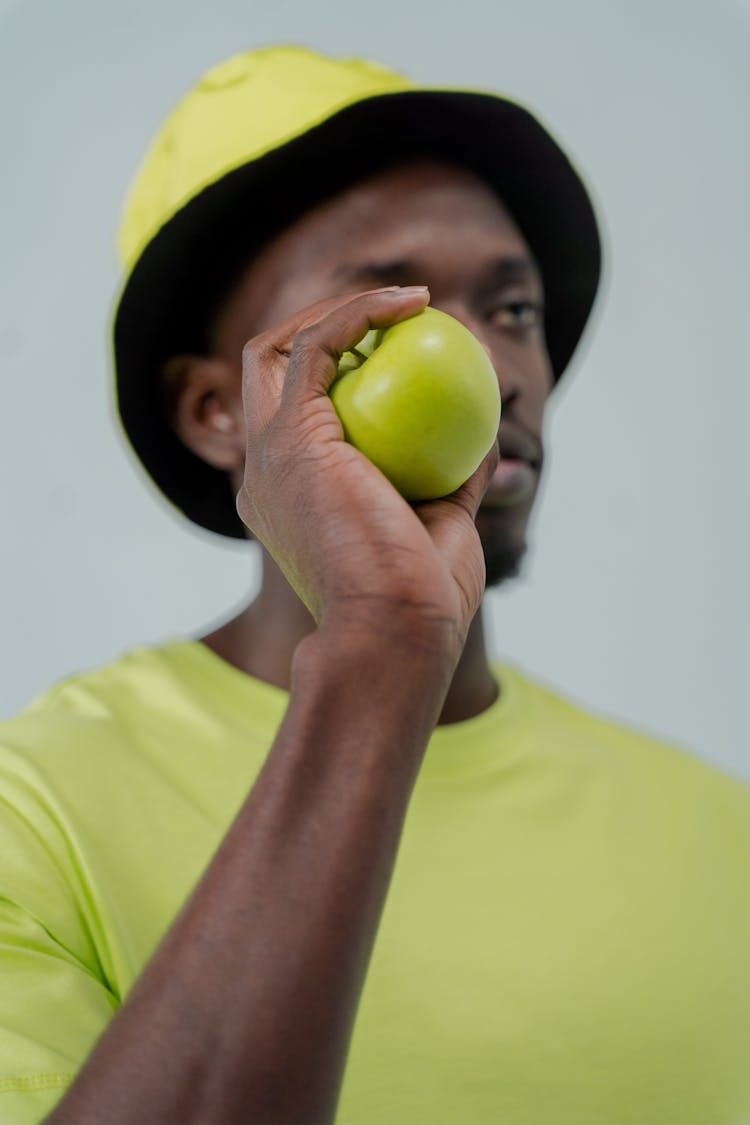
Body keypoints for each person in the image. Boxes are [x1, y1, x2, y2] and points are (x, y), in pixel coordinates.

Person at [1, 44, 749, 1125]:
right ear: (219, 409)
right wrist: (385, 638)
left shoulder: (721, 835)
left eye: (516, 310)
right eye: (395, 319)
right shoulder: (36, 814)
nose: (492, 370)